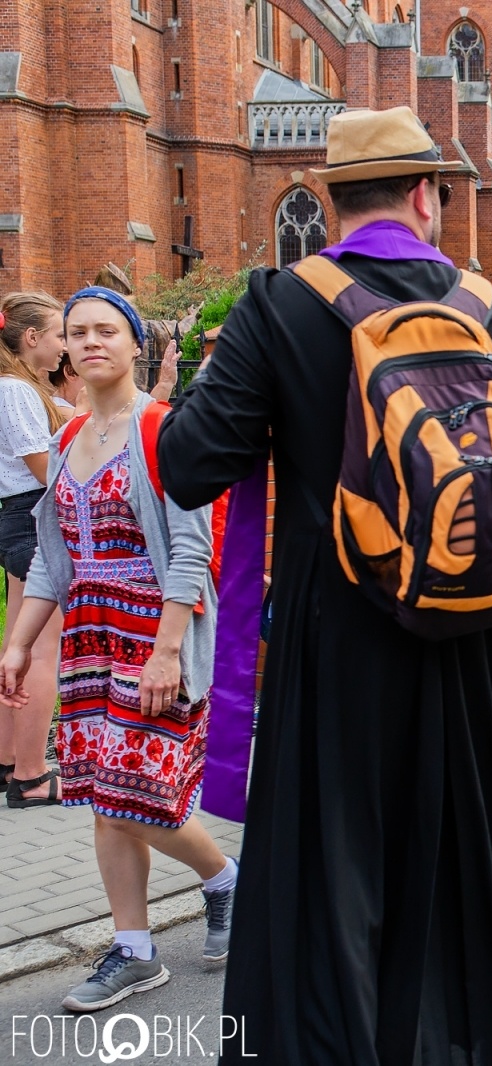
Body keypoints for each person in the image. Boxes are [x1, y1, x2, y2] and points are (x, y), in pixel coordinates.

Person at [153, 107, 492, 1062]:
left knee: (335, 852)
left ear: (327, 197)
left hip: (337, 628)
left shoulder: (280, 302)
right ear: (429, 196)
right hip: (474, 633)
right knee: (470, 845)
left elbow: (190, 465)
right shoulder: (488, 306)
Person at [0, 287, 235, 1011]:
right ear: (63, 348)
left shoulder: (165, 430)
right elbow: (50, 558)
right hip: (87, 639)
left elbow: (192, 551)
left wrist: (166, 652)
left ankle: (227, 876)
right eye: (78, 332)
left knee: (137, 795)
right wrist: (17, 644)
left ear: (137, 345)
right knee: (104, 800)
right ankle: (133, 949)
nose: (91, 342)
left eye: (107, 330)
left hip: (154, 635)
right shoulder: (68, 438)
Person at [0, 293, 68, 806]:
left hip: (14, 519)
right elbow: (42, 470)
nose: (66, 345)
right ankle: (31, 774)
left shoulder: (18, 388)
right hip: (28, 518)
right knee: (44, 647)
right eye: (61, 334)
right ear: (30, 339)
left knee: (16, 647)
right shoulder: (15, 392)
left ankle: (7, 761)